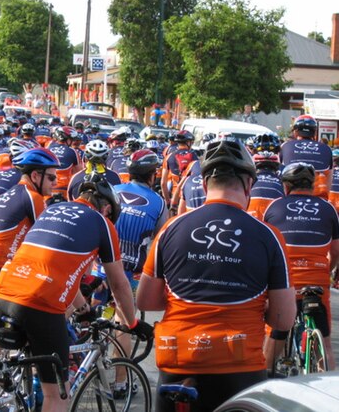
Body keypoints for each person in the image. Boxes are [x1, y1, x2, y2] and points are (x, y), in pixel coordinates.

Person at [137, 138, 296, 412]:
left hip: (179, 358)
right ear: (248, 184)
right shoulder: (269, 237)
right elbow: (283, 318)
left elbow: (146, 302)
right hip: (239, 364)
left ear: (204, 183)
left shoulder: (172, 228)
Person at [0, 176, 152, 412]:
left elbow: (62, 271)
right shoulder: (102, 222)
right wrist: (132, 322)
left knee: (37, 368)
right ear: (107, 208)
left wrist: (83, 308)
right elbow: (119, 284)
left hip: (5, 292)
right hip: (38, 302)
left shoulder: (53, 209)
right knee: (58, 396)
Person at [0, 148, 59, 339]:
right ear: (35, 175)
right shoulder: (33, 197)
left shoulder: (7, 195)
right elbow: (48, 241)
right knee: (39, 321)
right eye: (50, 177)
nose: (55, 182)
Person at [263, 162, 339, 371]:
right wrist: (329, 272)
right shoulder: (328, 209)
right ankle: (326, 383)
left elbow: (266, 248)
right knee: (325, 340)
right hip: (318, 280)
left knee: (276, 331)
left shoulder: (274, 206)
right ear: (312, 185)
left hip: (285, 281)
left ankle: (266, 377)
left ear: (286, 187)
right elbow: (335, 252)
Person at [280, 115, 332, 199]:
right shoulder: (326, 149)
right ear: (315, 132)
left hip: (292, 195)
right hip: (319, 196)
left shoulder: (285, 146)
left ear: (295, 131)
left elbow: (280, 172)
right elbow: (329, 178)